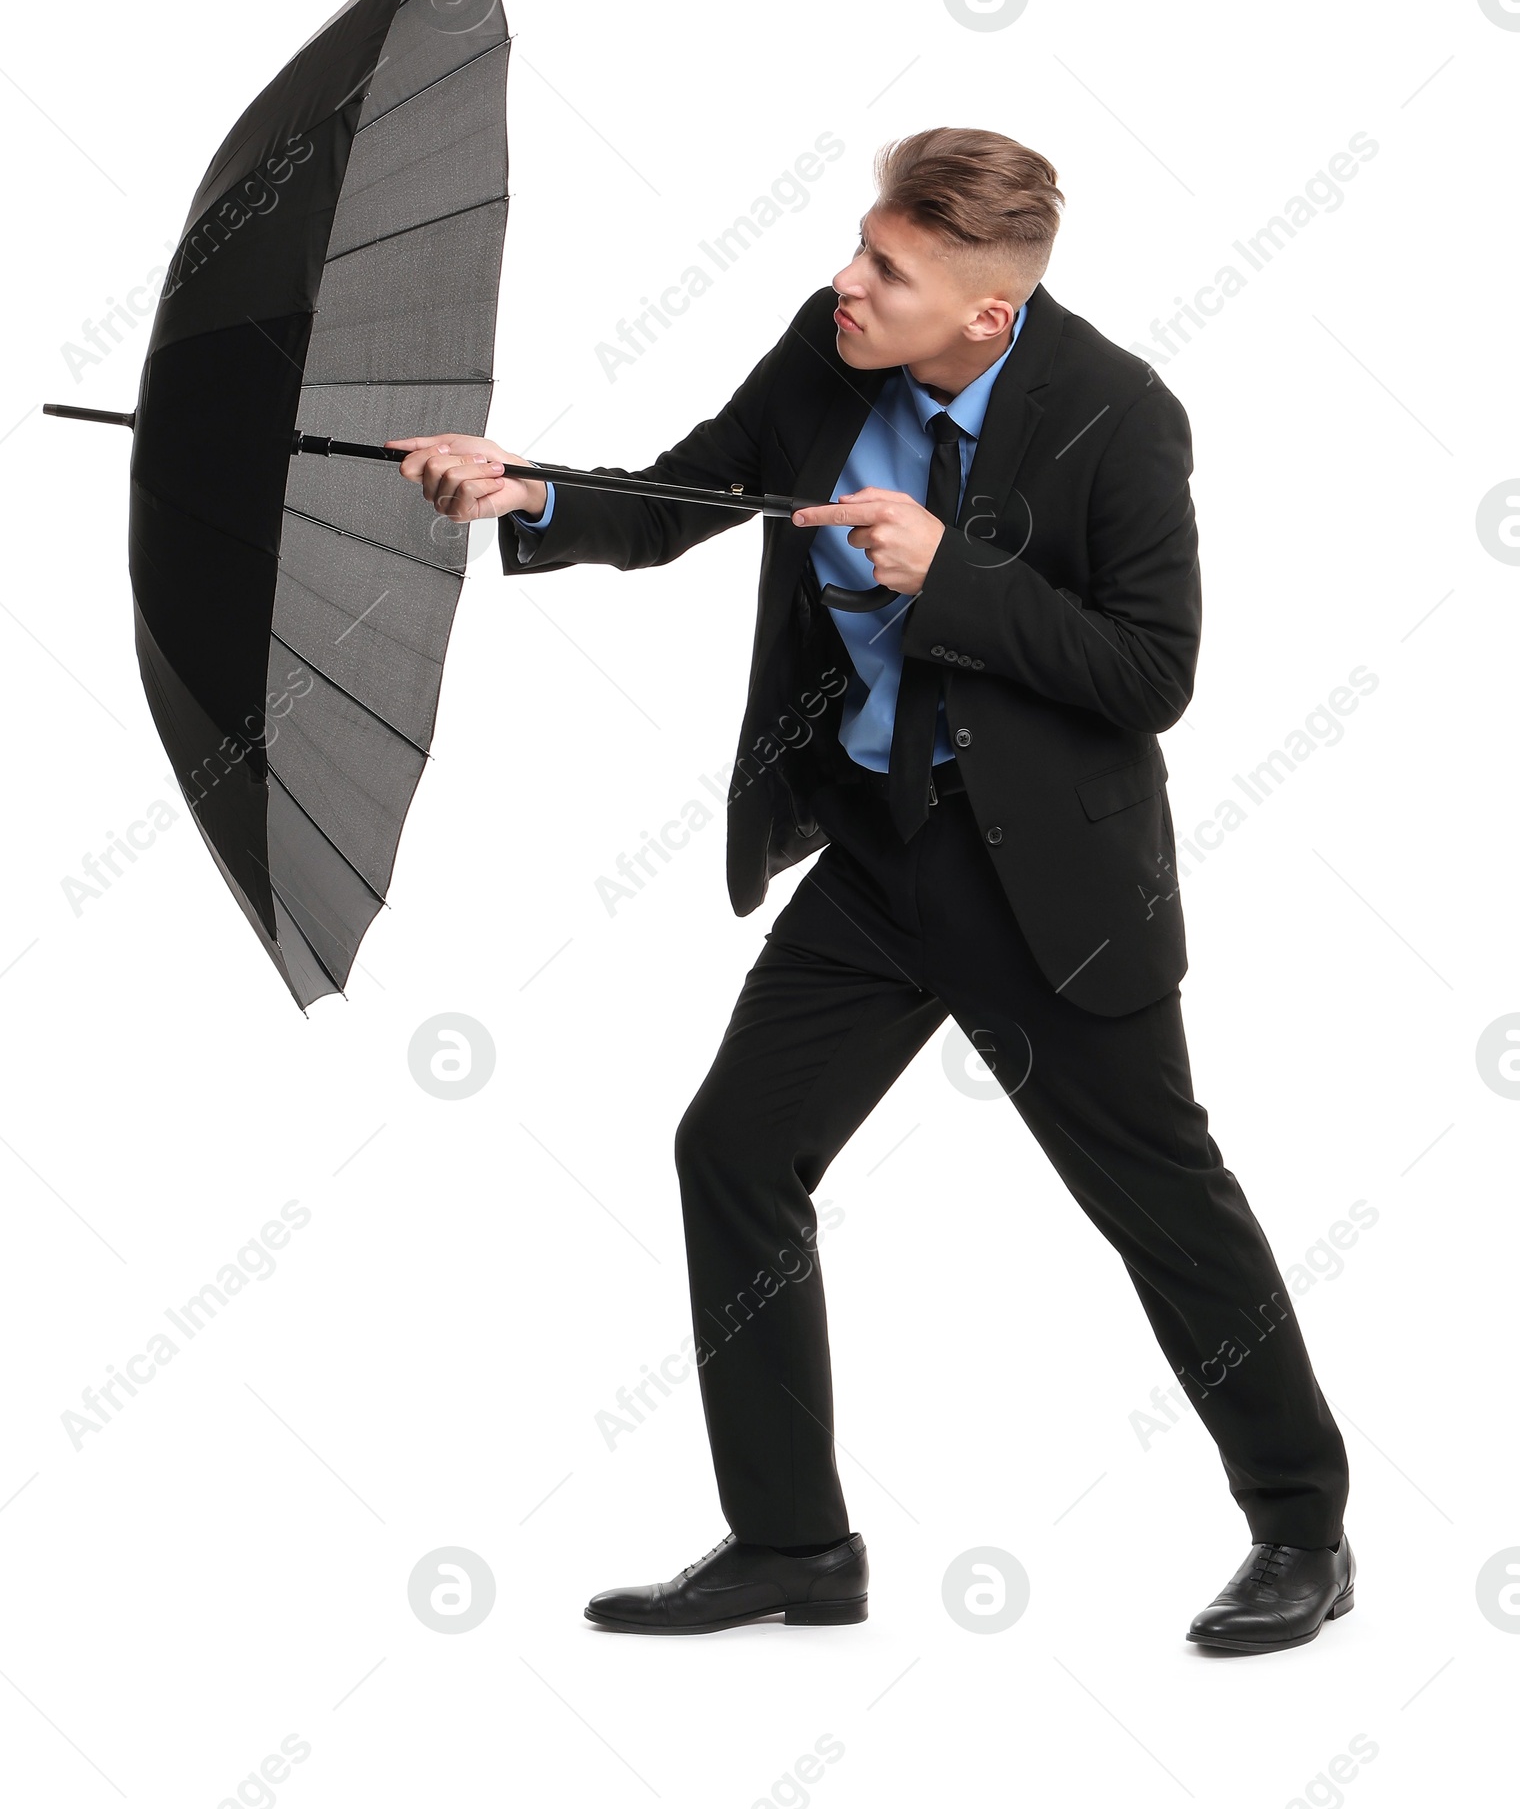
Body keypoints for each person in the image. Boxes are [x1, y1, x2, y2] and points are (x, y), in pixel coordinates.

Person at [393, 127, 1353, 1652]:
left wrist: (950, 575)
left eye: (889, 271)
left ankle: (1302, 1525)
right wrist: (524, 496)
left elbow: (1152, 672)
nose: (849, 280)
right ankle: (793, 1543)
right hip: (885, 852)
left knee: (1160, 1204)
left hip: (1052, 882)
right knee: (734, 1147)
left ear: (987, 312)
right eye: (860, 245)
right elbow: (690, 495)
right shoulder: (832, 349)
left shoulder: (1116, 415)